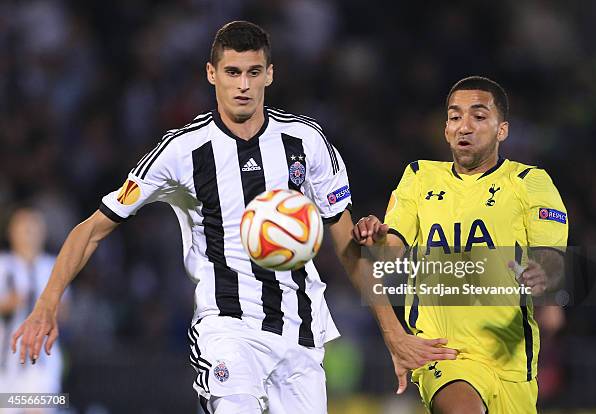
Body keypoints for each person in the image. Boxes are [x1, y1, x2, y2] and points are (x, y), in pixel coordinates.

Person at [11, 20, 423, 414]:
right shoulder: (181, 150)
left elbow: (348, 245)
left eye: (253, 71)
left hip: (301, 328)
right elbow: (93, 229)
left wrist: (392, 332)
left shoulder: (307, 141)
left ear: (270, 74)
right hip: (227, 327)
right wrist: (47, 303)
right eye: (232, 72)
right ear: (212, 74)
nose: (243, 85)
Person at [352, 76, 568, 413]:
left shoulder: (530, 183)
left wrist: (544, 276)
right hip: (442, 353)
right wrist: (377, 238)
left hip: (512, 367)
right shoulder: (420, 177)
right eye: (455, 117)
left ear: (502, 130)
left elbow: (551, 257)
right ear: (445, 129)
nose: (464, 126)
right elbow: (387, 251)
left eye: (479, 117)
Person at [1, 208, 66, 413]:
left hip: (41, 363)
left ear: (43, 232)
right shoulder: (2, 265)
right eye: (23, 227)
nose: (28, 232)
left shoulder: (53, 266)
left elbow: (65, 312)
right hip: (5, 363)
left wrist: (46, 310)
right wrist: (8, 304)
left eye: (33, 226)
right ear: (11, 231)